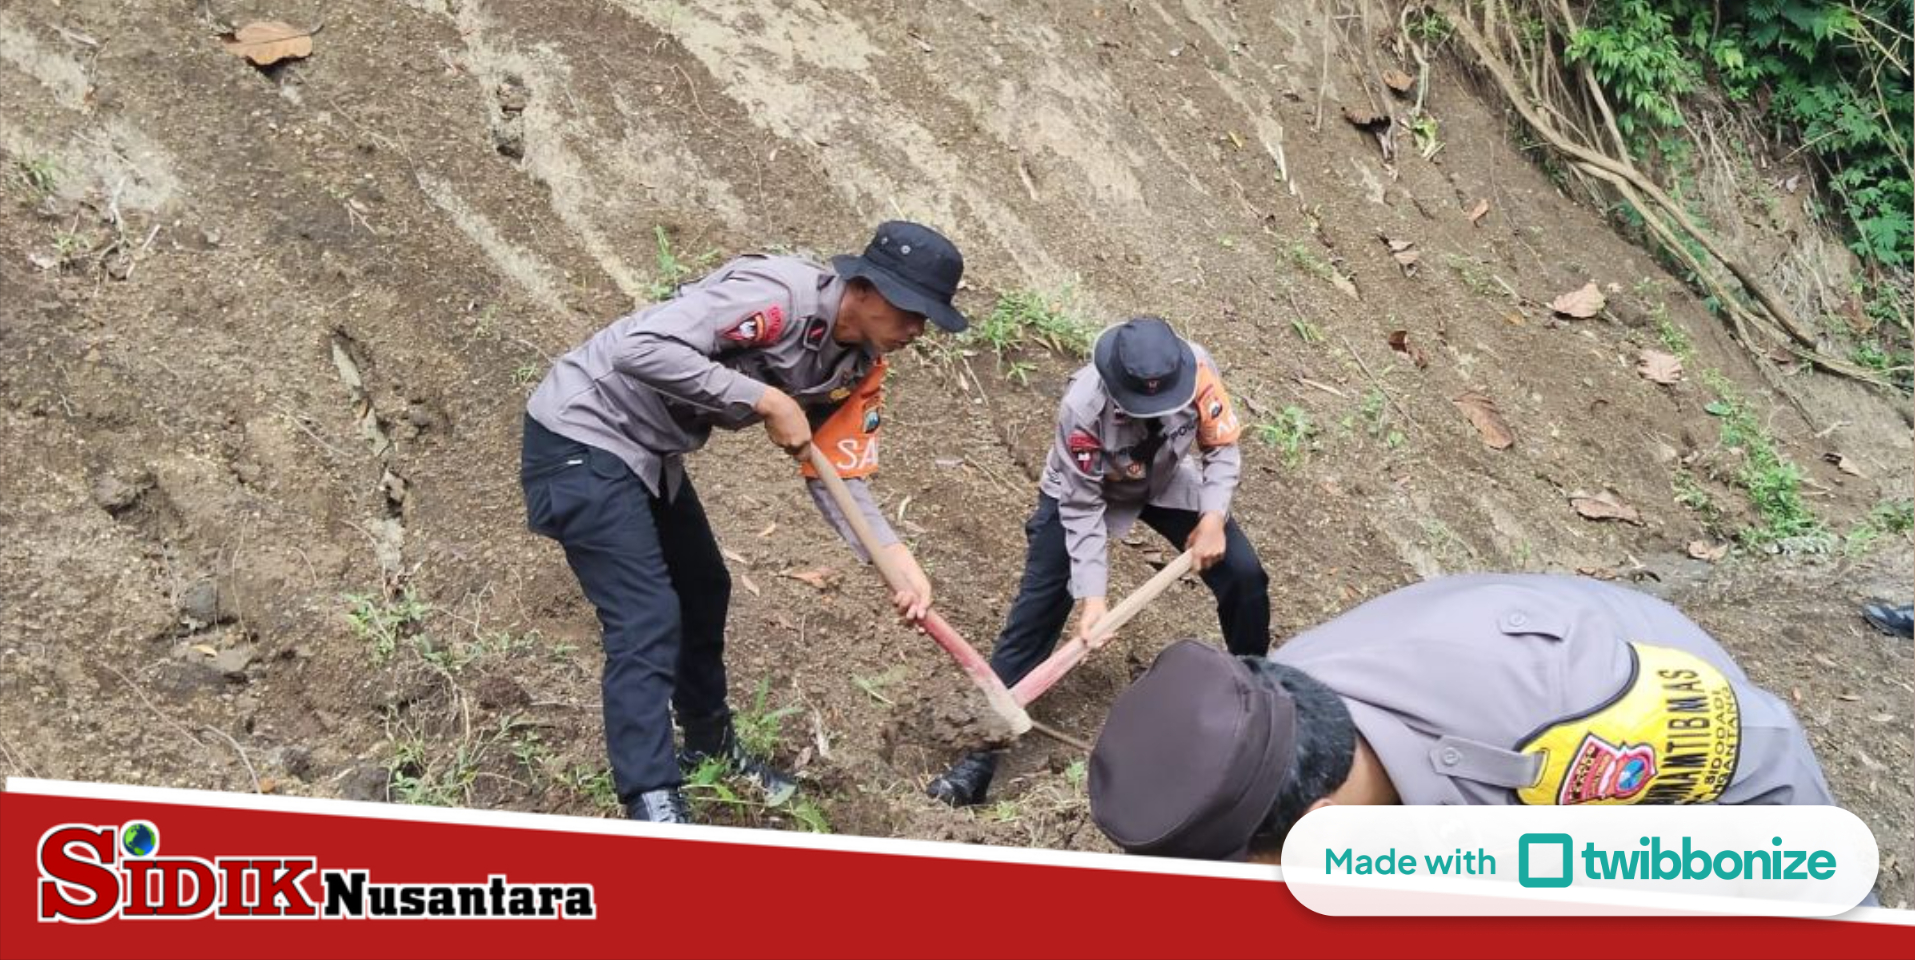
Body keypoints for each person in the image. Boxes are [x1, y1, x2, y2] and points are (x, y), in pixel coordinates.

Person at [521, 222, 967, 823]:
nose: (918, 329)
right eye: (912, 310)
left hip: (648, 452)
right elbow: (640, 347)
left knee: (704, 587)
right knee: (645, 614)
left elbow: (835, 470)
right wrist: (769, 400)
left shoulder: (859, 366)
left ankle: (710, 745)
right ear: (863, 288)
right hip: (582, 433)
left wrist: (896, 560)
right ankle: (652, 801)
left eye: (929, 318)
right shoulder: (774, 297)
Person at [1086, 573, 1841, 860]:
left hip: (1674, 720)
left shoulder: (1565, 720)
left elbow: (1766, 754)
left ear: (1319, 830)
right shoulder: (1263, 714)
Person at [927, 317, 1272, 807]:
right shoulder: (1082, 406)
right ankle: (979, 756)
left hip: (1164, 481)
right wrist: (1093, 598)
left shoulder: (1196, 370)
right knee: (1037, 613)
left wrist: (1213, 517)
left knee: (1244, 574)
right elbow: (1082, 507)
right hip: (1083, 493)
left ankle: (1256, 688)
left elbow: (1221, 446)